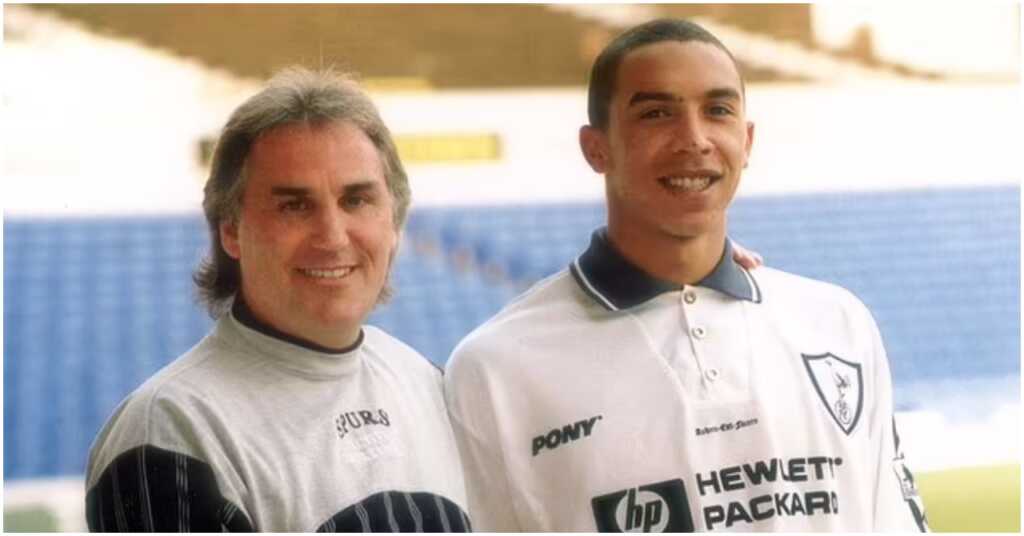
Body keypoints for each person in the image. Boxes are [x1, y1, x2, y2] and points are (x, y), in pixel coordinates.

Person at [444, 18, 927, 532]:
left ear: (746, 139)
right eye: (656, 113)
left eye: (717, 110)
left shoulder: (838, 324)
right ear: (596, 148)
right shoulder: (493, 369)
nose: (693, 139)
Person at [84, 67, 470, 532]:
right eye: (294, 205)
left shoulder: (423, 380)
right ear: (231, 230)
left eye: (356, 200)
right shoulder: (173, 431)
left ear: (394, 222)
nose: (332, 236)